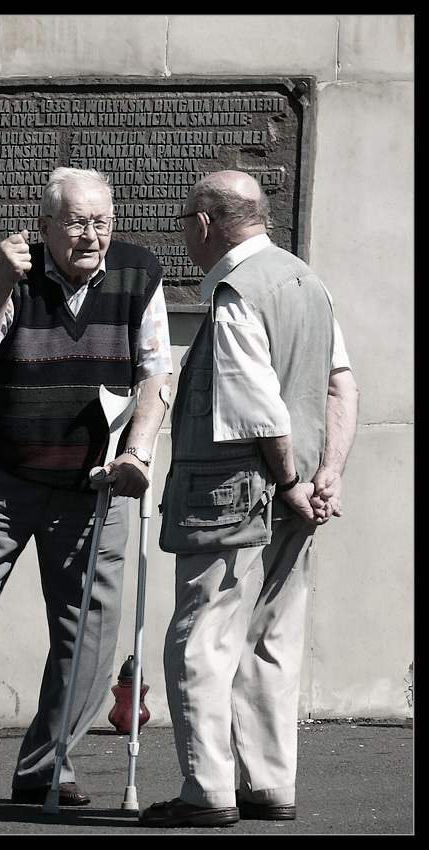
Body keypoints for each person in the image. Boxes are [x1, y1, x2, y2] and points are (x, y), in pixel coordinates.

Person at [0, 166, 173, 814]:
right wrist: (1, 278)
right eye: (79, 223)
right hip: (1, 477)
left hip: (95, 480)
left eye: (102, 222)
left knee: (90, 631)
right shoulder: (17, 269)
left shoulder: (138, 271)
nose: (92, 236)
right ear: (47, 225)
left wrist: (138, 451)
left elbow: (152, 373)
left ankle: (46, 765)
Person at [139, 170, 359, 829]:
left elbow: (255, 407)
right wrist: (330, 475)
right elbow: (340, 383)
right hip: (298, 493)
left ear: (204, 223)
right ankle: (267, 784)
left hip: (234, 493)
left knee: (200, 638)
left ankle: (206, 791)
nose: (184, 234)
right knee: (271, 637)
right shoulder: (305, 281)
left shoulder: (234, 292)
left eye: (185, 222)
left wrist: (290, 479)